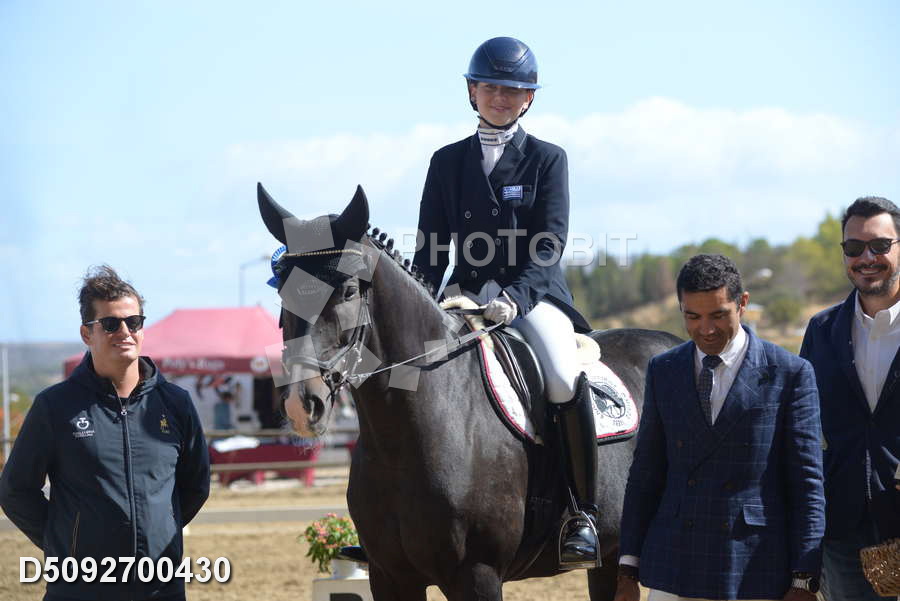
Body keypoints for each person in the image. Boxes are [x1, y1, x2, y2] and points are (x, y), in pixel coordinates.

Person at [405, 35, 600, 570]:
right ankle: (388, 515)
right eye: (490, 87)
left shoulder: (547, 159)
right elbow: (430, 250)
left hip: (532, 298)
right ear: (472, 91)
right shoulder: (446, 162)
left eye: (512, 90)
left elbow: (549, 244)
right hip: (462, 298)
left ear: (528, 97)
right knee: (403, 374)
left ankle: (581, 514)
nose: (500, 97)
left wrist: (515, 299)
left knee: (562, 376)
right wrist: (422, 303)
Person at [614, 254, 825, 601]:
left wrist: (804, 579)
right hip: (674, 565)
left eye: (718, 315)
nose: (706, 329)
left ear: (742, 303)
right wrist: (627, 569)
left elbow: (807, 484)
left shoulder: (791, 373)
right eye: (692, 317)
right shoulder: (663, 370)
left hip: (753, 566)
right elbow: (646, 473)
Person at [0, 265, 210, 601]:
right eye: (111, 324)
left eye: (134, 322)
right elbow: (15, 490)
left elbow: (195, 485)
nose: (125, 332)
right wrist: (66, 546)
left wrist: (157, 533)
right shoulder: (54, 406)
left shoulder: (176, 403)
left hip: (161, 588)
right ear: (87, 334)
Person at [800, 196, 900, 601]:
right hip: (843, 529)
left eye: (880, 245)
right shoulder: (821, 330)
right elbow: (803, 427)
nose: (867, 258)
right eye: (854, 247)